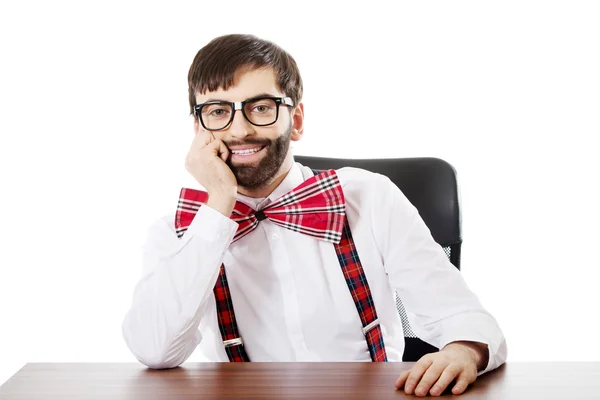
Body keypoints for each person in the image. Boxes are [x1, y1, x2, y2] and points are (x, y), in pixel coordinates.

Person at [122, 33, 507, 396]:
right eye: (219, 111)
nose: (239, 130)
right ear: (199, 129)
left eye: (260, 107)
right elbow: (154, 349)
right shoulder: (180, 231)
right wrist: (219, 202)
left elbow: (464, 317)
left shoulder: (370, 198)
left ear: (298, 120)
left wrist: (461, 351)